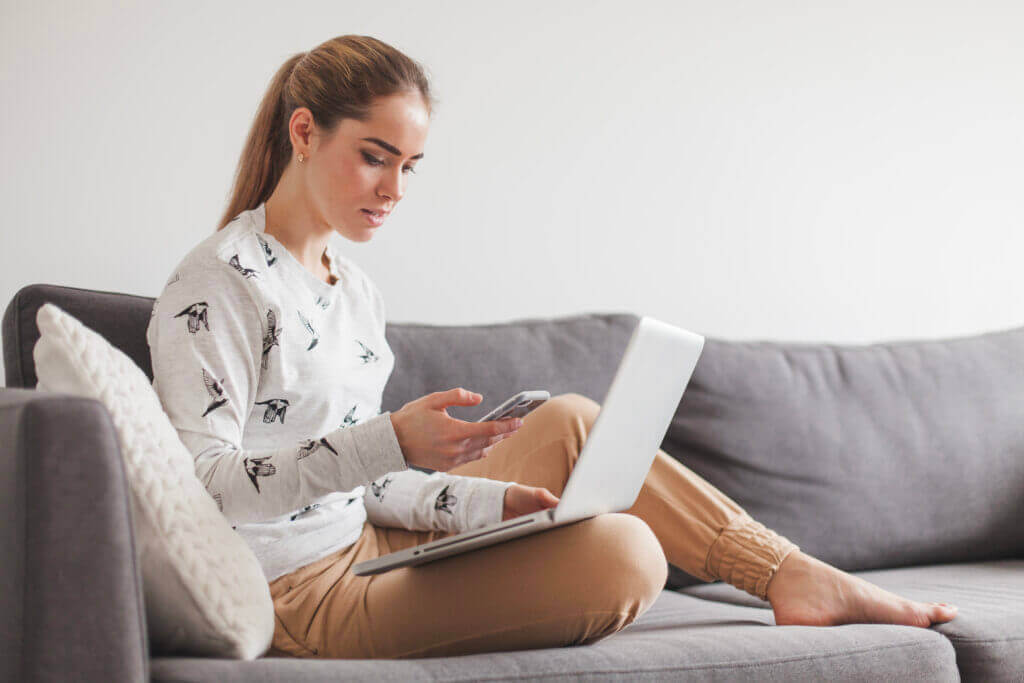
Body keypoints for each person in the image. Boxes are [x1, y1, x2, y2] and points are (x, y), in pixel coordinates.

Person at [147, 34, 958, 660]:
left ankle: (793, 575)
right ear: (304, 132)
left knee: (571, 420)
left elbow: (367, 489)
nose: (394, 191)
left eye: (410, 167)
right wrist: (390, 439)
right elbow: (209, 489)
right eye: (374, 157)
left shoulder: (353, 291)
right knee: (628, 554)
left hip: (366, 539)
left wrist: (485, 503)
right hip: (300, 590)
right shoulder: (215, 286)